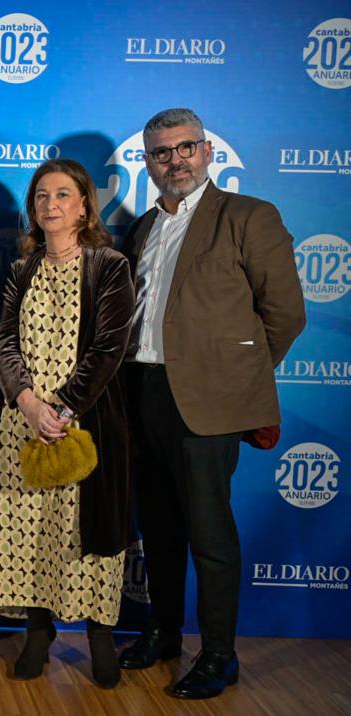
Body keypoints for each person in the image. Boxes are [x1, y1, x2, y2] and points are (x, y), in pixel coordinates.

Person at [118, 108, 306, 699]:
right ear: (147, 162)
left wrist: (234, 381)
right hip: (143, 392)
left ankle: (221, 654)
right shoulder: (143, 227)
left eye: (185, 148)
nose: (174, 160)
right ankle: (165, 632)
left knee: (210, 533)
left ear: (207, 151)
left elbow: (285, 314)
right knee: (160, 528)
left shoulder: (248, 216)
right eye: (160, 152)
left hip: (207, 404)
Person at [0, 158, 135, 689]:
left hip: (84, 422)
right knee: (31, 532)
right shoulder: (21, 270)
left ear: (85, 206)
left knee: (86, 532)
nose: (51, 205)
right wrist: (26, 403)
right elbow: (2, 341)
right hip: (23, 422)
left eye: (63, 195)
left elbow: (109, 346)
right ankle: (38, 632)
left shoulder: (110, 266)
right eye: (41, 196)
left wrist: (62, 409)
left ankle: (98, 637)